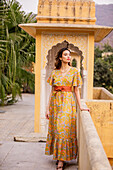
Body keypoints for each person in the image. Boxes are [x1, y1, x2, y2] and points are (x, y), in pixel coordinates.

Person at [45, 48, 89, 170]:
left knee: (63, 130)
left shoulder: (74, 71)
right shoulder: (54, 72)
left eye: (69, 55)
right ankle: (59, 156)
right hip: (55, 104)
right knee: (57, 130)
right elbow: (52, 91)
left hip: (68, 104)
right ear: (60, 58)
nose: (68, 57)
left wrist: (81, 107)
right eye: (65, 55)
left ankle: (61, 161)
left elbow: (76, 91)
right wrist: (48, 109)